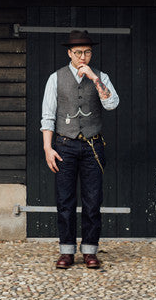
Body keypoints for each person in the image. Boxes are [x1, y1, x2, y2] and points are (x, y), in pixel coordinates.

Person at [40, 30, 119, 269]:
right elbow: (47, 116)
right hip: (64, 145)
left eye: (87, 52)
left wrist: (95, 79)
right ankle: (66, 251)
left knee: (92, 200)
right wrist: (47, 148)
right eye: (78, 53)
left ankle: (90, 251)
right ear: (69, 53)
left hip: (93, 145)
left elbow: (112, 104)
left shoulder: (100, 76)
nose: (82, 57)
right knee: (65, 200)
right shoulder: (56, 78)